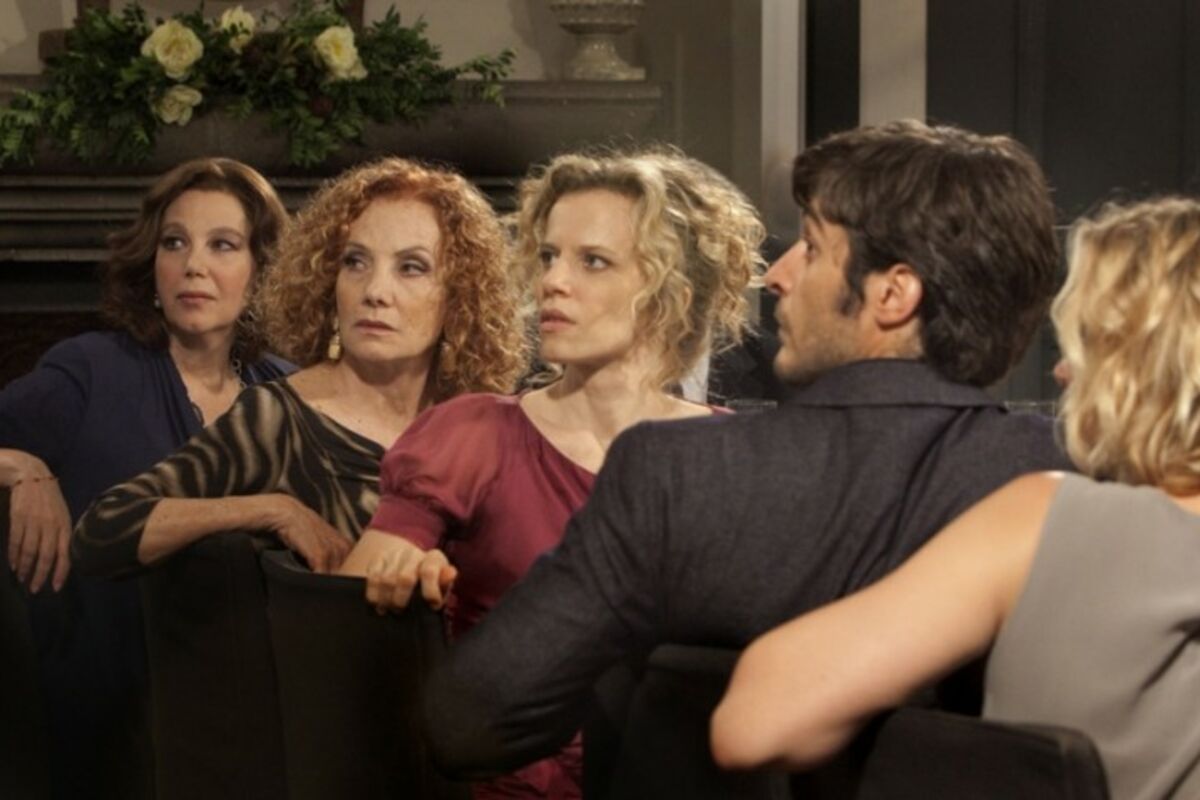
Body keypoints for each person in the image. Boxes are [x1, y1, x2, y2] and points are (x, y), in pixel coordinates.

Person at [413, 120, 1074, 784]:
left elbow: (469, 722)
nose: (778, 275)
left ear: (892, 295)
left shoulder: (677, 475)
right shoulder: (1073, 483)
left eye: (811, 247)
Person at [712, 196, 1200, 799]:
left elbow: (754, 722)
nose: (1062, 374)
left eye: (1084, 344)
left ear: (1141, 365)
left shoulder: (1054, 521)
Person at [71, 157, 526, 795]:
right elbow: (101, 532)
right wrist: (273, 509)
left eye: (411, 267)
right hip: (350, 758)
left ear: (460, 296)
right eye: (355, 262)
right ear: (327, 280)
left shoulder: (487, 425)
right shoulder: (279, 416)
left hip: (489, 741)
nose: (374, 291)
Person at [336, 148, 764, 799]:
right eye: (548, 256)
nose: (552, 283)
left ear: (670, 291)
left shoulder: (732, 457)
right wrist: (405, 586)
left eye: (592, 261)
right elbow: (340, 619)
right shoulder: (475, 435)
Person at [0, 157, 291, 800]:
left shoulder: (288, 392)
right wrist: (20, 466)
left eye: (223, 245)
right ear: (151, 265)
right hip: (99, 718)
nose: (194, 266)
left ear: (262, 269)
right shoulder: (91, 370)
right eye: (175, 242)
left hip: (242, 724)